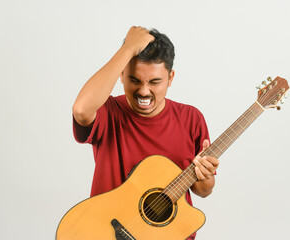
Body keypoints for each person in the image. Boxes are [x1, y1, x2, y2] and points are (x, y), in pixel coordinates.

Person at [72, 26, 219, 240]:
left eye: (155, 82)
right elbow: (81, 110)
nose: (143, 91)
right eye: (134, 80)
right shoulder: (108, 112)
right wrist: (128, 49)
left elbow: (203, 190)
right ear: (121, 75)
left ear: (170, 78)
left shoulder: (191, 118)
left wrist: (205, 176)